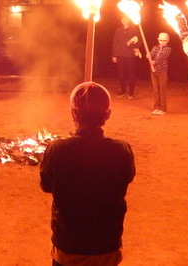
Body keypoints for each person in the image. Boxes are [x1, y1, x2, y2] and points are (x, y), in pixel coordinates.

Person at [40, 81, 136, 266]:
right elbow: (127, 177)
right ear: (107, 114)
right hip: (106, 247)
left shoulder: (57, 149)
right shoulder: (121, 150)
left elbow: (46, 185)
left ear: (73, 114)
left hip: (68, 246)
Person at [111, 16, 141, 99]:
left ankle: (131, 93)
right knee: (121, 74)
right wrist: (114, 55)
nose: (124, 21)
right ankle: (123, 91)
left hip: (130, 55)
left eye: (125, 19)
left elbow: (139, 42)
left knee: (131, 74)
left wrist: (132, 43)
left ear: (128, 20)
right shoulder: (118, 30)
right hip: (120, 55)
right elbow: (115, 42)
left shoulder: (134, 30)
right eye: (122, 19)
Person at [150, 32, 172, 115]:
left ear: (167, 41)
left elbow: (162, 57)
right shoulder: (155, 48)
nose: (162, 42)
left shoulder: (168, 49)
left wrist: (154, 62)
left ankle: (163, 108)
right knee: (156, 90)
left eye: (164, 40)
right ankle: (156, 107)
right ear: (158, 40)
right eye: (160, 40)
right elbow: (151, 55)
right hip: (153, 71)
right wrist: (149, 55)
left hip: (162, 71)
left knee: (162, 90)